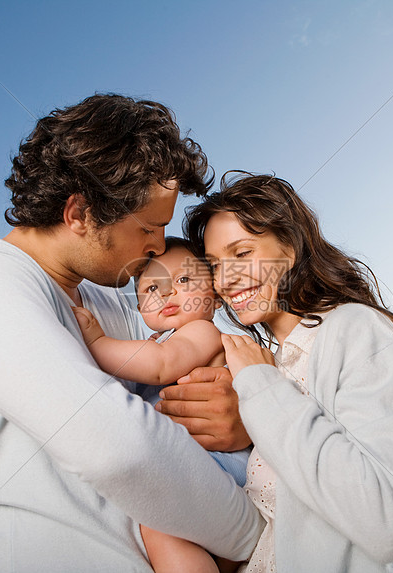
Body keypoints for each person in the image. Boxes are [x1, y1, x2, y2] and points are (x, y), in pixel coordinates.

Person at [0, 95, 263, 572]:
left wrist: (242, 418)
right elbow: (123, 449)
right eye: (150, 228)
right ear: (79, 214)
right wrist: (261, 538)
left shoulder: (108, 300)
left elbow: (181, 367)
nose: (159, 246)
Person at [172, 171, 393, 572]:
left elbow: (385, 524)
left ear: (289, 249)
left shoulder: (354, 329)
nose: (225, 279)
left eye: (242, 254)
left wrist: (261, 390)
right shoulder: (276, 363)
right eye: (214, 265)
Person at [73, 237, 250, 573]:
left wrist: (96, 342)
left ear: (213, 295)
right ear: (141, 309)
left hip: (216, 460)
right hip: (197, 461)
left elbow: (161, 365)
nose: (167, 293)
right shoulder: (159, 341)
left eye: (183, 280)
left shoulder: (202, 332)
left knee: (158, 524)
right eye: (151, 289)